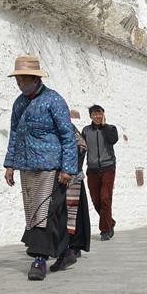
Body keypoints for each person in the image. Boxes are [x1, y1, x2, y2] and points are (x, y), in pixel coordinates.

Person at [3, 55, 78, 281]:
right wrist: (10, 164)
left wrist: (67, 168)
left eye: (24, 80)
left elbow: (68, 136)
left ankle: (40, 259)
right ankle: (65, 252)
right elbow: (14, 133)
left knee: (44, 211)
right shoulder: (19, 103)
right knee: (39, 212)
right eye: (18, 80)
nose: (20, 84)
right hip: (27, 166)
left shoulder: (54, 100)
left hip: (50, 167)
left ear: (35, 79)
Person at [49, 109, 91, 272]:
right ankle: (61, 245)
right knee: (60, 213)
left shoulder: (70, 129)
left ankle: (75, 245)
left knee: (75, 214)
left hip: (72, 177)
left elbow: (81, 146)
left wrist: (70, 166)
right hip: (58, 177)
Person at [81, 104, 119, 240]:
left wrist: (105, 126)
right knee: (96, 200)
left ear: (103, 114)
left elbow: (113, 140)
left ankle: (105, 230)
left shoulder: (111, 129)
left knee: (105, 198)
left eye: (100, 113)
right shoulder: (85, 131)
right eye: (94, 114)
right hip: (92, 170)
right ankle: (111, 222)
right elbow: (81, 149)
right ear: (90, 116)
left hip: (108, 168)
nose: (97, 116)